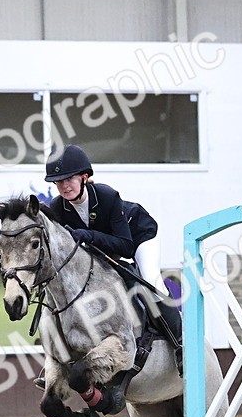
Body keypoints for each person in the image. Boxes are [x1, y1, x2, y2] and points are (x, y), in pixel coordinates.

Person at [42, 143, 183, 375]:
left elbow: (126, 247)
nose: (64, 186)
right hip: (100, 249)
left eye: (69, 179)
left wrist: (89, 235)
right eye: (58, 182)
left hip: (136, 236)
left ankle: (180, 345)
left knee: (151, 281)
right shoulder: (58, 207)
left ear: (84, 177)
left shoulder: (107, 196)